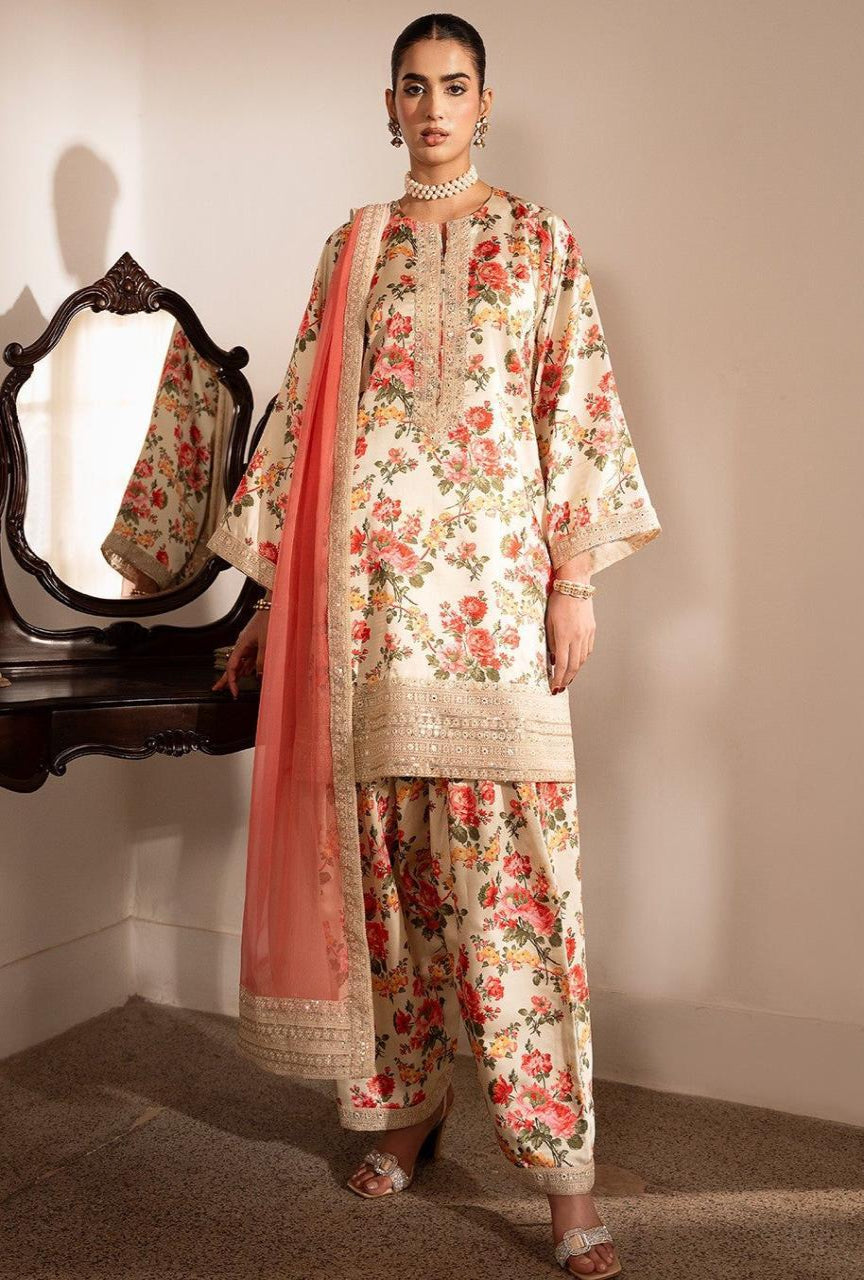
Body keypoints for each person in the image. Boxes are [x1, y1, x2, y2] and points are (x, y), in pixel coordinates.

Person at [208, 14, 662, 1277]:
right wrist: (264, 605)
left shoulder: (541, 243)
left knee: (518, 897)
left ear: (486, 100)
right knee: (391, 893)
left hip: (497, 612)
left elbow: (574, 411)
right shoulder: (351, 249)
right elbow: (299, 426)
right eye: (412, 88)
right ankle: (407, 1109)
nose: (432, 107)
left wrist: (574, 580)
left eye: (453, 87)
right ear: (387, 104)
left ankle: (565, 1176)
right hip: (364, 621)